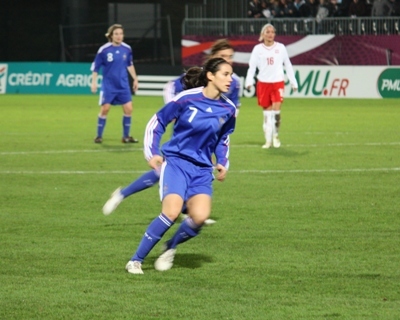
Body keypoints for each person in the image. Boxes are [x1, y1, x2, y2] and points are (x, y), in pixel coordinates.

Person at [102, 39, 242, 225]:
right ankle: (122, 194)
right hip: (187, 131)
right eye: (223, 56)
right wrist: (176, 111)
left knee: (197, 171)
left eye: (230, 57)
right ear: (214, 58)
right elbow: (171, 87)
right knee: (167, 170)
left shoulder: (233, 82)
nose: (228, 60)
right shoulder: (202, 76)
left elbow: (230, 113)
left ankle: (189, 211)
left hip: (206, 136)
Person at [122, 57, 237, 274]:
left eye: (231, 74)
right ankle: (136, 260)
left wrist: (222, 162)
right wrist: (152, 152)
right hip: (177, 163)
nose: (230, 79)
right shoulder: (186, 99)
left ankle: (170, 247)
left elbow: (223, 138)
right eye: (225, 74)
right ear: (210, 76)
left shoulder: (228, 109)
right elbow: (157, 122)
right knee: (171, 212)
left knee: (200, 218)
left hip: (203, 170)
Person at [245, 23, 298, 149]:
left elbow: (288, 65)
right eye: (267, 32)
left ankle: (276, 136)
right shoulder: (258, 49)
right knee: (267, 114)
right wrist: (248, 81)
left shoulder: (281, 48)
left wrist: (293, 81)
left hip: (277, 83)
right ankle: (268, 140)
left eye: (272, 32)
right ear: (262, 34)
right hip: (263, 84)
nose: (270, 34)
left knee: (276, 112)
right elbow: (252, 67)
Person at [91, 24, 139, 144]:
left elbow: (130, 64)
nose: (119, 36)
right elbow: (96, 67)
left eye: (121, 34)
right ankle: (98, 136)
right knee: (105, 109)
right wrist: (94, 82)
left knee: (128, 109)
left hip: (123, 85)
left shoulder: (127, 49)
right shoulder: (104, 50)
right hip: (108, 85)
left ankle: (126, 136)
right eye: (116, 34)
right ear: (111, 35)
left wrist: (135, 78)